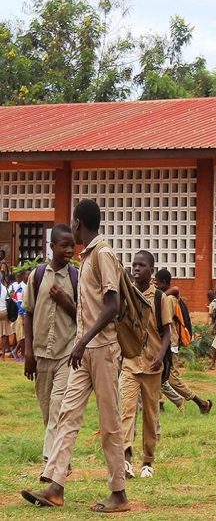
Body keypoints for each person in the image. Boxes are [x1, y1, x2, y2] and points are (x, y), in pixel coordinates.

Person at [22, 199, 129, 513]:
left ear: (80, 223)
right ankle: (55, 486)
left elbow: (113, 305)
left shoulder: (104, 255)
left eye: (74, 222)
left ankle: (119, 494)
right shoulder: (88, 258)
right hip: (84, 352)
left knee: (110, 424)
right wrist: (82, 344)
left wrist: (83, 340)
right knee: (67, 414)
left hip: (103, 350)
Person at [23, 224, 78, 472]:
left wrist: (67, 302)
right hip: (41, 354)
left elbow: (85, 317)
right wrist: (28, 352)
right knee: (47, 412)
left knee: (58, 408)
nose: (69, 250)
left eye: (72, 245)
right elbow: (28, 314)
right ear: (52, 246)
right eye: (64, 245)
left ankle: (50, 465)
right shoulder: (37, 276)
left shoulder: (77, 278)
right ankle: (61, 461)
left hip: (67, 353)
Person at [120, 251, 171, 480]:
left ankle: (148, 461)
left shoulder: (160, 298)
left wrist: (160, 354)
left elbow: (168, 332)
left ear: (151, 270)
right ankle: (125, 459)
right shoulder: (126, 295)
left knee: (150, 416)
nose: (137, 269)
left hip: (152, 366)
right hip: (130, 363)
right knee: (126, 412)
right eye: (134, 265)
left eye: (142, 265)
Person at [154, 270, 212, 414]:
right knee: (159, 375)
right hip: (166, 343)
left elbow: (161, 320)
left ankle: (201, 403)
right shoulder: (169, 297)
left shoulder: (168, 300)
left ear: (165, 283)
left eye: (157, 282)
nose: (155, 285)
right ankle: (159, 405)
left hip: (169, 344)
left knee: (172, 379)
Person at [0, 279, 11, 359]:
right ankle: (3, 355)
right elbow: (8, 301)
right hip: (3, 311)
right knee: (4, 333)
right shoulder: (5, 288)